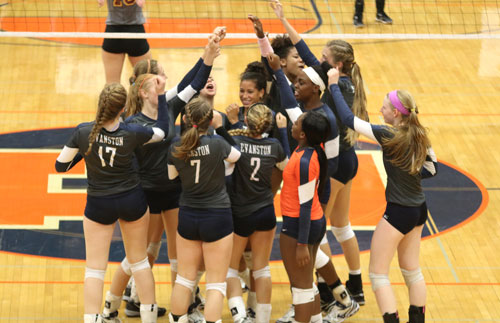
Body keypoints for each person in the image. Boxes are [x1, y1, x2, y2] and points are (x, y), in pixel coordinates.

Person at [270, 0, 368, 313]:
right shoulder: (342, 84)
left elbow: (308, 59)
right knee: (341, 226)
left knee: (315, 227)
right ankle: (353, 288)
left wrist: (323, 179)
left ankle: (327, 294)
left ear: (335, 66)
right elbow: (309, 57)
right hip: (344, 157)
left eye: (325, 59)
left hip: (335, 164)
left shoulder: (332, 92)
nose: (316, 60)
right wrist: (283, 22)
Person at [328, 67, 438, 323]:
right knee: (412, 270)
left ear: (396, 113)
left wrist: (333, 85)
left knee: (378, 274)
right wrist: (411, 170)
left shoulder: (388, 133)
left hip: (399, 211)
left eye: (385, 108)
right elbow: (432, 169)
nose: (381, 110)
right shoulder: (420, 133)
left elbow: (347, 118)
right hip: (419, 209)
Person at [55, 80, 169, 323]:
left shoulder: (83, 132)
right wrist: (161, 98)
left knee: (95, 269)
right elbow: (161, 133)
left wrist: (87, 152)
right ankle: (148, 318)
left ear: (100, 105)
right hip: (132, 200)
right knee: (139, 262)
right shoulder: (133, 132)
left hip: (99, 204)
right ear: (123, 108)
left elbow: (60, 165)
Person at [167, 97, 241, 323]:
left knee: (185, 280)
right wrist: (220, 128)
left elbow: (172, 177)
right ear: (210, 120)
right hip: (217, 217)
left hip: (189, 215)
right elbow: (237, 155)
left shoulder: (177, 146)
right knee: (216, 284)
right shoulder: (217, 144)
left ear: (187, 120)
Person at [222, 104, 289, 323]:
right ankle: (261, 319)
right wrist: (284, 132)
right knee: (261, 269)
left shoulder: (237, 143)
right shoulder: (275, 145)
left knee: (230, 270)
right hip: (266, 212)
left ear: (247, 122)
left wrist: (232, 124)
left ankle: (240, 317)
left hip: (240, 213)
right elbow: (286, 169)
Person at [279, 111, 331, 323]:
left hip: (299, 226)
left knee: (300, 289)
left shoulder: (306, 161)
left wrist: (301, 243)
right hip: (311, 223)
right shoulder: (309, 150)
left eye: (297, 122)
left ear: (303, 134)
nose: (294, 122)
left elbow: (306, 204)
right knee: (307, 284)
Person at [98, 0, 152, 84]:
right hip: (135, 33)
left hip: (113, 33)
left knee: (111, 84)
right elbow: (141, 3)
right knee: (145, 83)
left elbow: (100, 2)